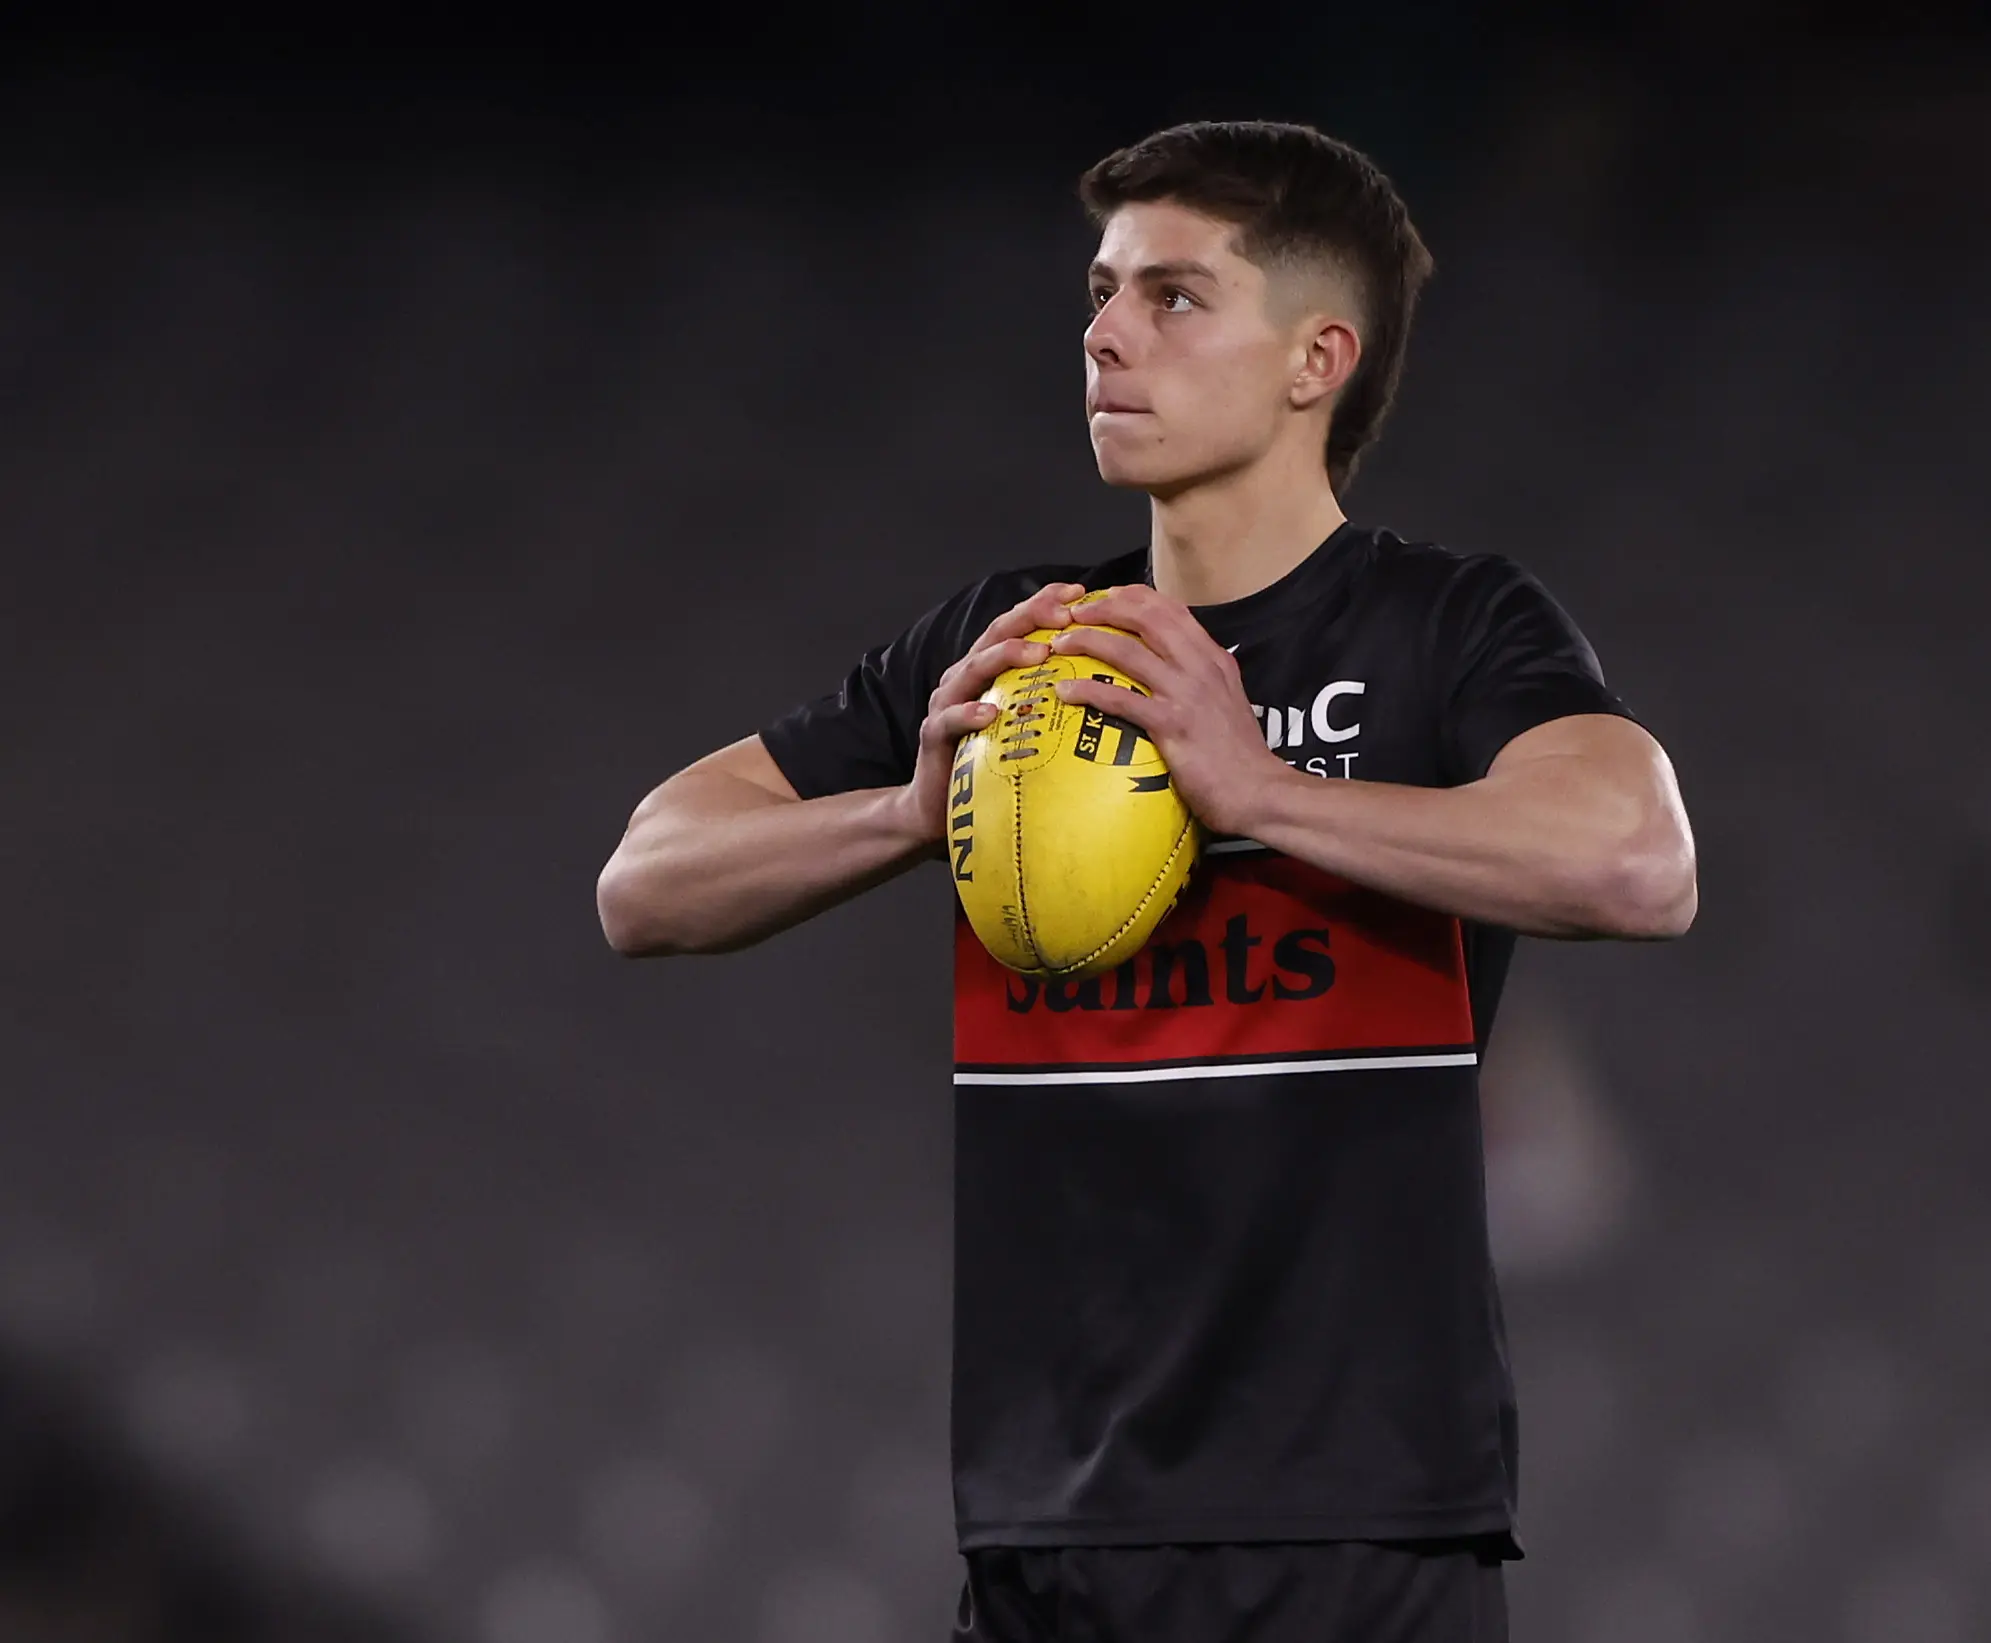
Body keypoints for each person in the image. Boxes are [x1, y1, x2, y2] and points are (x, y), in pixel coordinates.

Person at [596, 119, 1696, 1643]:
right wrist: (906, 814)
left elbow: (1637, 862)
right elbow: (642, 881)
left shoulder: (1448, 630)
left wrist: (1258, 790)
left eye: (1172, 297)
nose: (1107, 334)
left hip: (1355, 1532)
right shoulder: (1011, 646)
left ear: (1317, 359)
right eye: (1103, 293)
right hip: (1052, 1532)